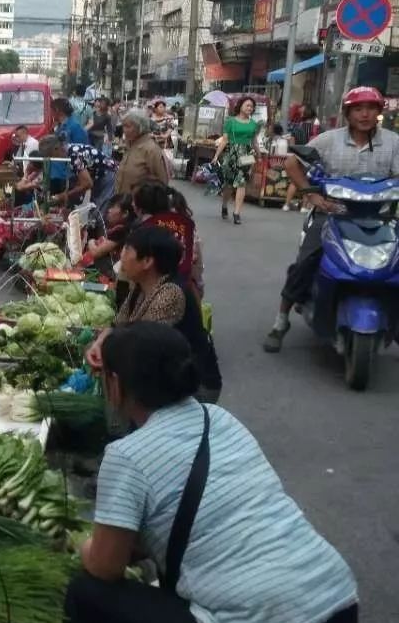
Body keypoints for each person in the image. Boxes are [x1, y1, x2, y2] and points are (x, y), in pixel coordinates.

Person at [14, 322, 358, 623]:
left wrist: (81, 543)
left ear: (115, 385)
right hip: (336, 622)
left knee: (86, 596)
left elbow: (104, 567)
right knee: (185, 570)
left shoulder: (128, 457)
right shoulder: (221, 420)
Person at [264, 86, 399, 351]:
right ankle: (281, 320)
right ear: (348, 113)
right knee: (306, 260)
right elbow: (292, 163)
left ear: (379, 113)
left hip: (380, 218)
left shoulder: (393, 142)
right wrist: (312, 197)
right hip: (333, 214)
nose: (364, 114)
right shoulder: (329, 140)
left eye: (371, 109)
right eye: (358, 109)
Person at [86, 224, 221, 399]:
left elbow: (138, 344)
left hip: (193, 387)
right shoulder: (140, 286)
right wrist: (98, 344)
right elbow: (118, 325)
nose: (121, 255)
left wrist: (104, 354)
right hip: (161, 373)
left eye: (127, 250)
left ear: (147, 262)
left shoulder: (170, 293)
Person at [213, 95, 260, 225]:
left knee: (241, 182)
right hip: (231, 154)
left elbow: (254, 141)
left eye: (251, 106)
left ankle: (237, 212)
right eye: (247, 105)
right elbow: (224, 140)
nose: (250, 108)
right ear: (240, 107)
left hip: (246, 155)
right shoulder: (231, 121)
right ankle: (224, 204)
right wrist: (217, 155)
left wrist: (259, 155)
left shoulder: (254, 124)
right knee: (228, 184)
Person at [113, 108, 169, 197]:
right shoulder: (131, 145)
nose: (124, 130)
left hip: (139, 205)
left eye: (128, 126)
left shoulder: (151, 149)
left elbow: (162, 182)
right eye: (123, 126)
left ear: (140, 127)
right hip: (123, 202)